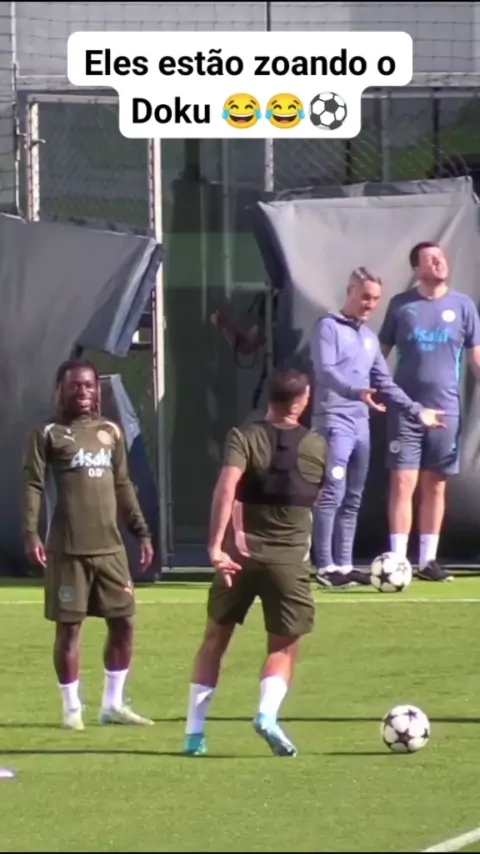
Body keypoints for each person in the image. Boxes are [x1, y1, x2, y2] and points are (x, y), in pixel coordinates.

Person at [182, 368, 328, 758]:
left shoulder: (243, 437)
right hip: (289, 564)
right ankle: (266, 714)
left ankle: (194, 734)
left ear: (270, 397)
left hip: (238, 558)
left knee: (214, 640)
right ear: (302, 401)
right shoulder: (316, 444)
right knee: (284, 646)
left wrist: (215, 547)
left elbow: (227, 486)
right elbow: (319, 495)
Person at [21, 359, 155, 731]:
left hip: (111, 550)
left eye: (89, 385)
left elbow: (123, 485)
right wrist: (31, 533)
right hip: (68, 550)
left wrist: (142, 531)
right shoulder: (48, 433)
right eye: (75, 385)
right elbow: (33, 485)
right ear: (60, 390)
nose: (83, 392)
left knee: (124, 622)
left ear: (98, 390)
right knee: (69, 628)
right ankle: (71, 709)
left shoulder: (111, 432)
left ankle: (113, 704)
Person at [311, 267, 445, 590]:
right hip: (334, 420)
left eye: (375, 299)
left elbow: (385, 382)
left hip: (361, 424)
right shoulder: (328, 327)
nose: (370, 304)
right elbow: (325, 371)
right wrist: (355, 391)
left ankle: (344, 565)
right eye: (365, 297)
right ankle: (325, 565)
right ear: (350, 291)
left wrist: (417, 410)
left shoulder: (369, 338)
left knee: (353, 497)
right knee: (333, 493)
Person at [378, 242, 480, 582]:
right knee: (402, 482)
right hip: (405, 410)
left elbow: (476, 358)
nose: (439, 263)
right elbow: (379, 354)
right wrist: (366, 388)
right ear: (416, 269)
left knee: (435, 485)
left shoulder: (463, 306)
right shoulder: (401, 305)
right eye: (430, 259)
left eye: (441, 258)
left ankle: (427, 561)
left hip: (446, 411)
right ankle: (397, 560)